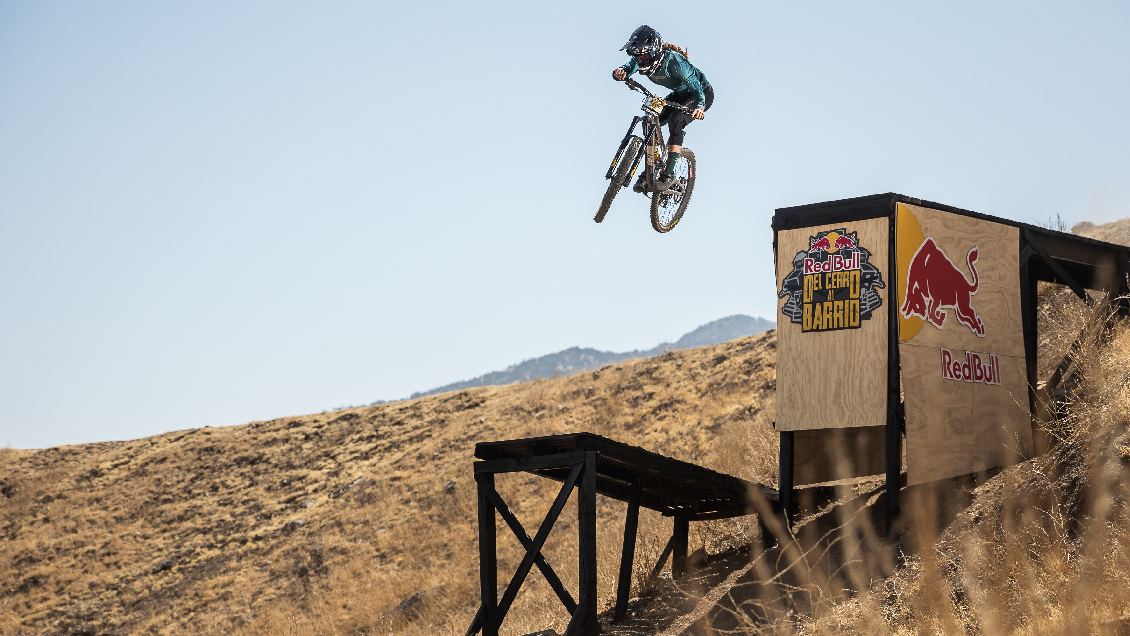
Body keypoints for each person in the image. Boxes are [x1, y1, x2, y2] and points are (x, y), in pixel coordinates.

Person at [612, 25, 713, 191]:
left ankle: (669, 173)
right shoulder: (640, 59)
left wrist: (700, 106)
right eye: (637, 56)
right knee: (651, 120)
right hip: (679, 94)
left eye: (644, 56)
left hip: (700, 94)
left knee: (676, 119)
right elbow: (629, 67)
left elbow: (696, 87)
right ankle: (654, 165)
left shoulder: (674, 62)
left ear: (654, 51)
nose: (640, 60)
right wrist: (621, 72)